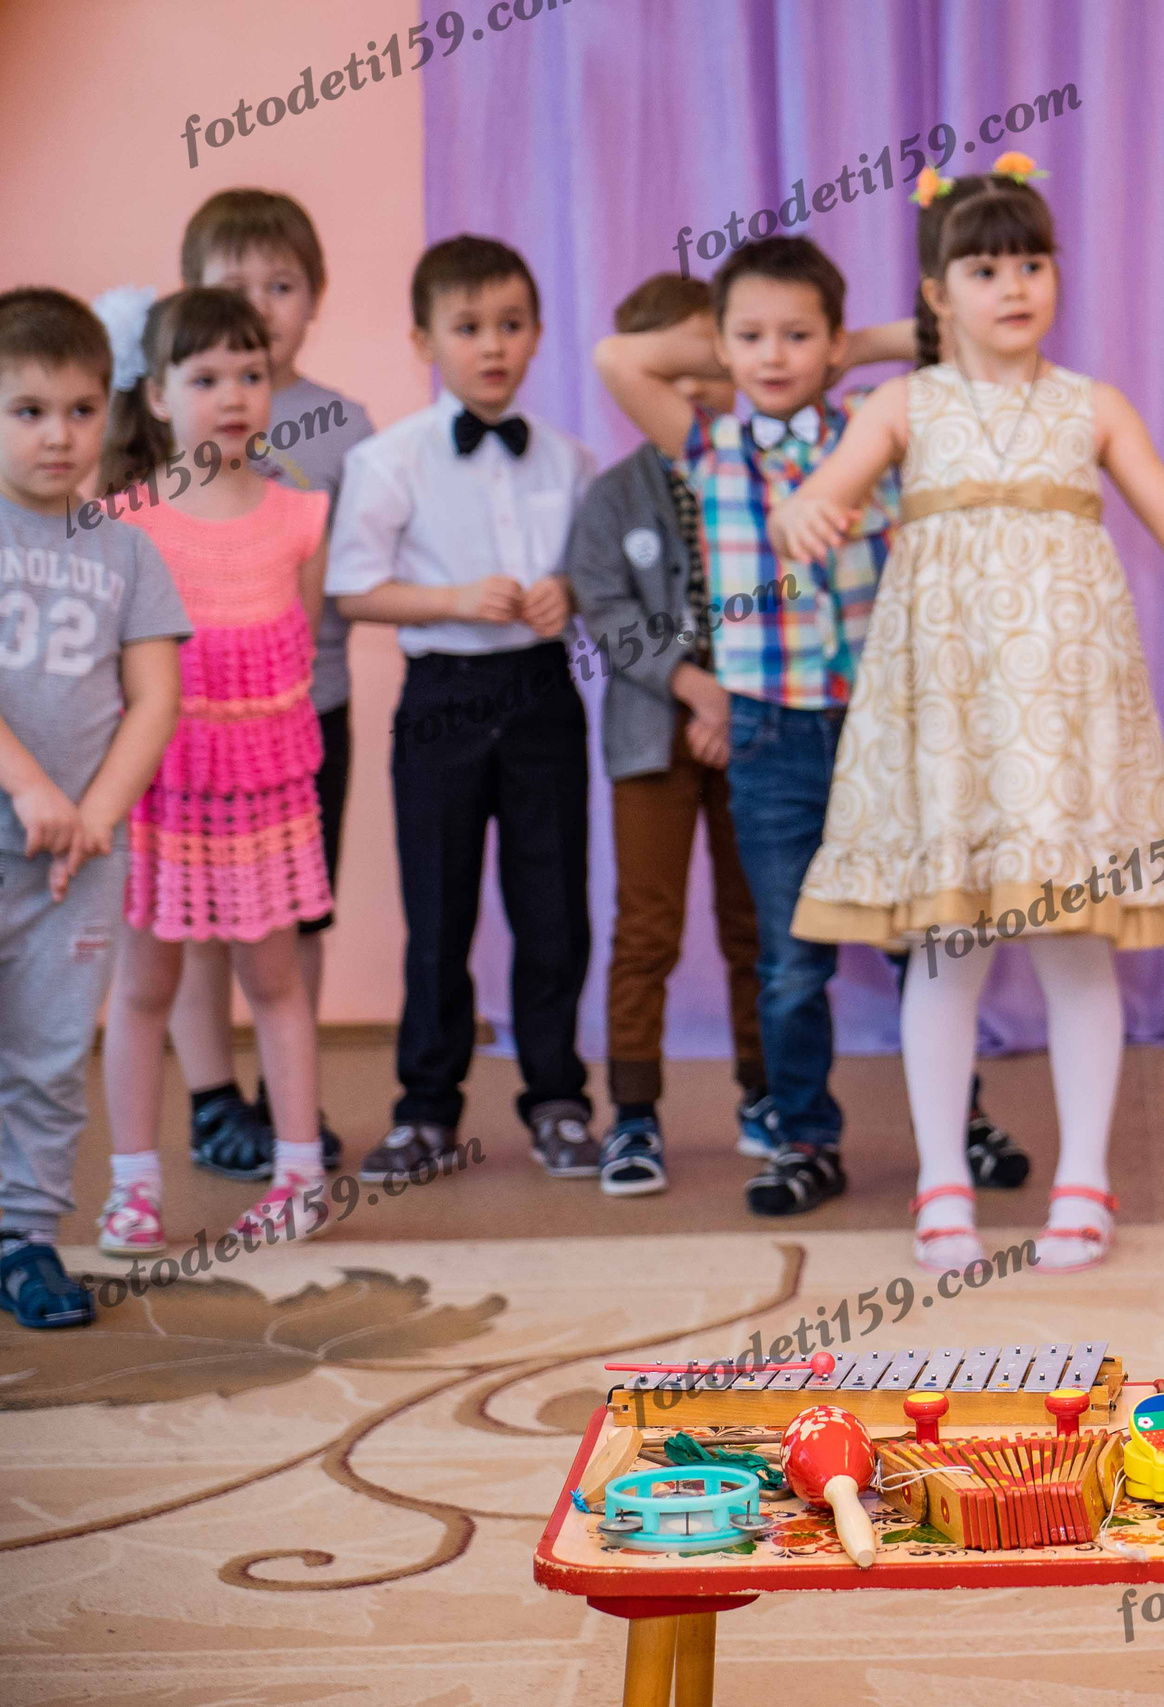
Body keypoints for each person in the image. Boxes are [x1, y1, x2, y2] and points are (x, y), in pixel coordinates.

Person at [769, 158, 1164, 1274]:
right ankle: (942, 1182)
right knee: (946, 946)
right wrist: (808, 513)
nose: (1013, 286)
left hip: (1069, 712)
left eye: (1030, 262)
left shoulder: (1094, 407)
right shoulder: (904, 403)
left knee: (1078, 943)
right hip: (945, 710)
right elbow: (823, 493)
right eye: (982, 268)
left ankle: (1084, 1178)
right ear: (936, 294)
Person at [593, 236, 956, 1217]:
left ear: (835, 345)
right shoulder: (707, 447)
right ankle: (803, 1135)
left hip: (877, 730)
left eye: (799, 336)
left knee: (917, 941)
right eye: (749, 337)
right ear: (717, 346)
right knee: (791, 958)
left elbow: (948, 340)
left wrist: (847, 347)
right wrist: (734, 347)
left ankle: (952, 1124)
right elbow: (616, 359)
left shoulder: (873, 430)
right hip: (770, 735)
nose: (774, 354)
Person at [328, 236, 598, 1184]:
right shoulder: (389, 458)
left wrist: (567, 590)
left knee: (553, 905)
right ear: (423, 338)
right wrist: (451, 598)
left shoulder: (570, 459)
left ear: (537, 337)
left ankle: (559, 1097)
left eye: (512, 325)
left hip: (541, 695)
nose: (492, 345)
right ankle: (426, 1111)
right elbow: (353, 588)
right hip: (442, 694)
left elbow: (595, 576)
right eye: (468, 326)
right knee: (437, 909)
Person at [92, 288, 332, 1250]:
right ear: (155, 395)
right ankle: (134, 1185)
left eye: (250, 374)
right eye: (205, 378)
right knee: (144, 987)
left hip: (264, 799)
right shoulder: (123, 521)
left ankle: (300, 1174)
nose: (232, 395)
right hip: (157, 795)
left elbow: (299, 653)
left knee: (276, 982)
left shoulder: (299, 516)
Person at [162, 188, 376, 1183]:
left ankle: (289, 1104)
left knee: (296, 915)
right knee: (197, 923)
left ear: (315, 299)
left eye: (281, 286)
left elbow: (350, 567)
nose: (260, 305)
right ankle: (212, 1100)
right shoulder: (172, 416)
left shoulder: (343, 422)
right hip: (188, 728)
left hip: (307, 709)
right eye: (233, 286)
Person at [0, 288, 188, 1328]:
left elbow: (154, 695)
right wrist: (32, 788)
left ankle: (25, 1237)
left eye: (80, 409)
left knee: (47, 1051)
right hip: (21, 817)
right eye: (28, 411)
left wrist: (93, 814)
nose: (59, 434)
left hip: (76, 856)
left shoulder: (124, 547)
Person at [565, 272, 768, 1196]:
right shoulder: (612, 497)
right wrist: (692, 686)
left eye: (704, 362)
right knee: (645, 928)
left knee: (755, 926)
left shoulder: (767, 477)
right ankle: (634, 1112)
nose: (690, 388)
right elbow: (604, 609)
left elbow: (791, 589)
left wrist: (735, 696)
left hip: (758, 730)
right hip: (651, 739)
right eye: (670, 366)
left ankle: (768, 1095)